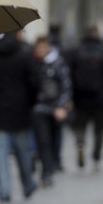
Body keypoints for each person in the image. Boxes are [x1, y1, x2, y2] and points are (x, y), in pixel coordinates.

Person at [0, 31, 40, 202]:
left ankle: (5, 190)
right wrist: (30, 102)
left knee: (1, 153)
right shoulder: (24, 55)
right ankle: (28, 185)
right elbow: (35, 83)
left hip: (0, 110)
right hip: (21, 110)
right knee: (23, 152)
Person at [67, 25, 103, 171]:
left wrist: (69, 96)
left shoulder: (76, 52)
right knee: (99, 129)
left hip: (80, 97)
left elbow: (69, 76)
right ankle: (96, 155)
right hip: (101, 97)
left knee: (80, 126)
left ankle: (80, 145)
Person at [31, 35, 72, 187]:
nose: (41, 51)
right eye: (38, 48)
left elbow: (66, 86)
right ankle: (46, 171)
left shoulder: (58, 63)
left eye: (43, 47)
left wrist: (61, 106)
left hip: (56, 108)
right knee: (43, 141)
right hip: (40, 108)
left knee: (55, 139)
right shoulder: (34, 64)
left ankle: (52, 164)